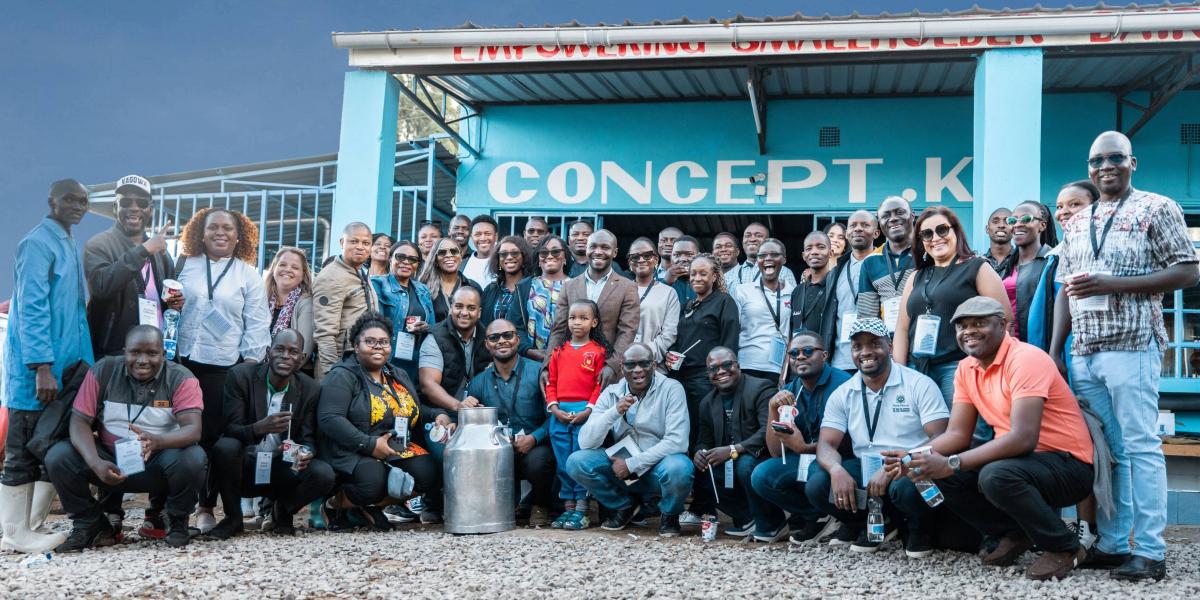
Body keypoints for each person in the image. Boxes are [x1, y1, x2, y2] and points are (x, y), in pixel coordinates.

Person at [1054, 131, 1199, 581]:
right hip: (1085, 351)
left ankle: (1151, 551)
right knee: (1108, 453)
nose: (1105, 166)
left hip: (1133, 346)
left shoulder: (1158, 207)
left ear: (1132, 163)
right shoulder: (1078, 221)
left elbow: (1188, 270)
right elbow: (1066, 287)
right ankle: (1115, 544)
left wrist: (1111, 285)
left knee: (1140, 448)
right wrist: (1059, 350)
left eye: (1115, 157)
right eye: (1097, 160)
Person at [884, 296, 1096, 580]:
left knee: (994, 475)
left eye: (979, 323)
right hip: (1021, 462)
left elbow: (1023, 438)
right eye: (961, 326)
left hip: (1069, 466)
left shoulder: (1026, 359)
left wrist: (953, 463)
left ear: (1003, 325)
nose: (968, 331)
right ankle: (1013, 533)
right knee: (937, 471)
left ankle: (1065, 547)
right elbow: (958, 434)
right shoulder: (966, 368)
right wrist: (914, 455)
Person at [46, 326, 205, 550]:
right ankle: (91, 525)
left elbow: (192, 429)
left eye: (152, 353)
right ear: (125, 352)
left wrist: (158, 442)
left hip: (157, 464)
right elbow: (79, 421)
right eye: (135, 352)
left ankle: (177, 521)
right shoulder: (104, 370)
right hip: (109, 461)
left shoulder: (181, 378)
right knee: (59, 456)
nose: (142, 360)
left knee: (194, 457)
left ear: (163, 354)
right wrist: (95, 462)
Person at [1, 179, 93, 554]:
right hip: (36, 374)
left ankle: (33, 524)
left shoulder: (66, 242)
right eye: (70, 198)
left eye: (84, 200)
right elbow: (34, 308)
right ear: (52, 200)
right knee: (20, 449)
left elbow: (73, 312)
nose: (77, 205)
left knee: (48, 444)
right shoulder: (37, 243)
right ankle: (14, 531)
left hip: (67, 371)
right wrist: (41, 366)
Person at [805, 318, 949, 557]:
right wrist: (836, 470)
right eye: (858, 346)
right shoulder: (844, 393)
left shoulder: (918, 384)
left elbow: (941, 437)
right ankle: (871, 524)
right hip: (867, 468)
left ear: (890, 346)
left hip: (910, 463)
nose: (866, 352)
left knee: (908, 485)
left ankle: (919, 529)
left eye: (874, 344)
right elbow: (826, 445)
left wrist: (900, 462)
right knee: (818, 484)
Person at [174, 207, 270, 532]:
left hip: (225, 367)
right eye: (213, 227)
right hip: (185, 363)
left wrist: (248, 367)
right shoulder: (184, 265)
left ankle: (206, 506)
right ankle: (180, 507)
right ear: (200, 233)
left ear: (239, 235)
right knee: (186, 435)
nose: (220, 233)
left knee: (215, 438)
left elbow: (257, 324)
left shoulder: (248, 274)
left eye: (227, 228)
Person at [317, 312, 440, 531]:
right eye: (370, 341)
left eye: (383, 342)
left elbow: (415, 408)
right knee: (373, 481)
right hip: (353, 448)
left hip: (394, 446)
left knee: (428, 472)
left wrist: (438, 415)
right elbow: (330, 419)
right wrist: (370, 444)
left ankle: (365, 507)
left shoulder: (397, 374)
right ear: (356, 346)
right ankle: (334, 505)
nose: (378, 347)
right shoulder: (342, 375)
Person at [208, 329, 335, 538]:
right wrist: (260, 428)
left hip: (282, 464)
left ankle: (282, 511)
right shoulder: (241, 376)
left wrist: (304, 452)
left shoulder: (310, 388)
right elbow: (230, 428)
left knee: (323, 474)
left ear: (302, 358)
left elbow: (308, 438)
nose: (286, 356)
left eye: (293, 352)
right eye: (280, 349)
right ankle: (233, 518)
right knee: (225, 447)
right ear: (269, 352)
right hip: (245, 465)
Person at [565, 343, 692, 537]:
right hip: (623, 470)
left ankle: (670, 514)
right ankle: (624, 506)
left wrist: (632, 464)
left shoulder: (672, 389)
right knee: (576, 462)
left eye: (644, 363)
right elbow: (586, 442)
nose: (638, 370)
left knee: (680, 468)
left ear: (654, 365)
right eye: (631, 365)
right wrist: (614, 412)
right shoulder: (612, 392)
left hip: (658, 466)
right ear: (622, 367)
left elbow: (678, 441)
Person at [893, 206, 1010, 412]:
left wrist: (990, 366)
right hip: (917, 368)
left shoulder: (977, 267)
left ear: (956, 231)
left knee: (959, 435)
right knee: (920, 435)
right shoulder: (916, 277)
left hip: (958, 367)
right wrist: (900, 372)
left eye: (942, 230)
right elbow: (902, 328)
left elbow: (1005, 319)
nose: (935, 237)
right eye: (927, 234)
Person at [751, 331, 851, 544]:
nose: (800, 357)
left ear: (824, 355)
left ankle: (844, 518)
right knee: (761, 475)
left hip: (841, 458)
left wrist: (803, 446)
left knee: (817, 472)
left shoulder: (844, 385)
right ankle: (817, 516)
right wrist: (772, 409)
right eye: (794, 353)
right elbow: (776, 452)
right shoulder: (790, 390)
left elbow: (848, 443)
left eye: (807, 351)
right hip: (806, 455)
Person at [464, 319, 554, 527]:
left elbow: (554, 418)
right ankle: (502, 506)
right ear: (487, 344)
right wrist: (466, 408)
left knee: (540, 462)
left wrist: (534, 438)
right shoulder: (479, 382)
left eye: (507, 335)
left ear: (517, 339)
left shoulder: (538, 372)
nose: (501, 341)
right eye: (494, 338)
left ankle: (540, 505)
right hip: (498, 451)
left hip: (535, 447)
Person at [84, 174, 183, 357]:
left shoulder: (161, 254)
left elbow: (166, 303)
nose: (134, 208)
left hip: (156, 353)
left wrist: (174, 304)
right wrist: (143, 251)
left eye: (142, 203)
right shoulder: (98, 244)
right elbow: (101, 286)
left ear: (150, 210)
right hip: (116, 353)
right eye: (126, 202)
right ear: (115, 207)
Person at [690, 348, 775, 540]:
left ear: (738, 365)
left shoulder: (761, 388)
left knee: (745, 466)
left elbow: (767, 430)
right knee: (704, 470)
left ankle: (770, 523)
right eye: (714, 368)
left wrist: (732, 450)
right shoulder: (707, 403)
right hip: (730, 460)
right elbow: (704, 439)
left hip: (761, 456)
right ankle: (746, 519)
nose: (721, 371)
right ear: (708, 374)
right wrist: (699, 453)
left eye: (727, 365)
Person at [544, 229, 639, 390]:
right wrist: (547, 365)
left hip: (607, 373)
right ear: (586, 249)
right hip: (571, 370)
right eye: (593, 246)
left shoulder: (628, 287)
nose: (598, 252)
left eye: (605, 247)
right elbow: (559, 329)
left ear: (615, 252)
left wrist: (612, 366)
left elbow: (627, 331)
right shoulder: (569, 286)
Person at [545, 300, 610, 530]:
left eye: (583, 318)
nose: (577, 322)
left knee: (578, 461)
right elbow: (550, 383)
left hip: (585, 414)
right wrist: (554, 409)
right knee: (563, 462)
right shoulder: (558, 352)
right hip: (559, 413)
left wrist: (588, 410)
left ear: (594, 322)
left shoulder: (598, 352)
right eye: (573, 317)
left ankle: (582, 511)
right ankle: (568, 510)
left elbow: (598, 387)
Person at [670, 254, 740, 455]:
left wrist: (722, 375)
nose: (697, 278)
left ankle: (704, 481)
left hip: (707, 379)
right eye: (693, 274)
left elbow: (730, 342)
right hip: (680, 378)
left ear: (714, 276)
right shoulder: (687, 305)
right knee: (684, 428)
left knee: (704, 431)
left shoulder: (724, 302)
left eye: (703, 273)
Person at [418, 286, 490, 429]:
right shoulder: (435, 337)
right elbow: (428, 385)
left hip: (478, 414)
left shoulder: (488, 337)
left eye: (471, 308)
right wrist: (458, 406)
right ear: (451, 309)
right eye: (458, 306)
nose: (464, 312)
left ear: (479, 312)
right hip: (441, 414)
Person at [312, 222, 377, 381]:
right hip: (340, 365)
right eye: (354, 241)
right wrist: (333, 373)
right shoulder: (331, 277)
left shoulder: (360, 271)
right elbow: (324, 332)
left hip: (358, 361)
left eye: (365, 243)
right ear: (342, 243)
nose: (360, 247)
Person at [370, 241, 435, 383]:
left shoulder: (423, 290)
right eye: (400, 257)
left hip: (415, 361)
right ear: (390, 258)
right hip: (386, 359)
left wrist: (425, 328)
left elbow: (433, 327)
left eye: (412, 259)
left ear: (418, 264)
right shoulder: (376, 284)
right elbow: (371, 322)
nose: (406, 262)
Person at [730, 238, 794, 381]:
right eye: (762, 256)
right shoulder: (742, 291)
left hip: (778, 368)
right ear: (757, 260)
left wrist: (785, 371)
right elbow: (732, 331)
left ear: (784, 259)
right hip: (746, 366)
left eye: (774, 254)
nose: (768, 259)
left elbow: (793, 335)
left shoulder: (793, 292)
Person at [999, 202, 1058, 347]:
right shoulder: (1005, 266)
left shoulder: (1052, 261)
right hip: (1007, 345)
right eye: (1012, 220)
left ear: (1042, 226)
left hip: (1038, 345)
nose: (1018, 224)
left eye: (1026, 219)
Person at [828, 210, 880, 374]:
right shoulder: (836, 270)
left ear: (876, 233)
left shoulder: (886, 265)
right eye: (853, 226)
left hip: (877, 357)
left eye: (865, 225)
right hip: (841, 361)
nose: (858, 229)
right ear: (847, 234)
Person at [857, 196, 915, 334]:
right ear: (879, 222)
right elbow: (867, 317)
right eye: (886, 215)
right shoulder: (870, 262)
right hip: (889, 345)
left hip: (925, 341)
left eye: (900, 212)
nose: (893, 218)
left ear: (912, 216)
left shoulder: (927, 252)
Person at [507, 235, 569, 362]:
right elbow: (514, 325)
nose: (550, 256)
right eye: (544, 253)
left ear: (565, 258)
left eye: (556, 251)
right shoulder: (524, 287)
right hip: (529, 360)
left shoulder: (577, 286)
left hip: (567, 360)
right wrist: (529, 351)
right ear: (539, 260)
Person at [626, 237, 679, 368]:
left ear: (656, 259)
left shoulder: (669, 293)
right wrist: (626, 356)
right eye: (635, 257)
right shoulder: (620, 289)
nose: (641, 260)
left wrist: (644, 355)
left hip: (653, 364)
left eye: (647, 255)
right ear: (629, 262)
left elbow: (669, 335)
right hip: (624, 364)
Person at [264, 247, 315, 371]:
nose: (287, 269)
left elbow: (304, 351)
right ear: (274, 269)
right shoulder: (261, 300)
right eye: (282, 264)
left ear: (303, 275)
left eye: (295, 267)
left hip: (290, 375)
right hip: (258, 370)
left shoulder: (306, 304)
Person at [420, 237, 482, 324]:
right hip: (433, 337)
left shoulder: (473, 287)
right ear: (436, 260)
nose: (449, 255)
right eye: (442, 252)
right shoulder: (423, 288)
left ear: (460, 256)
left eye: (454, 251)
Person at [790, 231, 835, 338]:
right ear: (804, 256)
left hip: (828, 352)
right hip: (801, 353)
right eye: (809, 248)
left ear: (831, 253)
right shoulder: (797, 291)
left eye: (821, 247)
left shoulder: (836, 286)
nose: (814, 252)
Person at [726, 221, 797, 289]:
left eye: (758, 235)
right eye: (748, 235)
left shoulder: (783, 271)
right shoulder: (728, 276)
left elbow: (793, 299)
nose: (752, 239)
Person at [481, 236, 533, 327]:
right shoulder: (490, 290)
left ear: (524, 256)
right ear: (498, 259)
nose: (509, 257)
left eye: (515, 253)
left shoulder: (533, 287)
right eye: (503, 254)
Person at [462, 214, 498, 289]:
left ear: (496, 236)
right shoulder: (462, 265)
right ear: (471, 237)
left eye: (487, 234)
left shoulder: (502, 263)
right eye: (477, 234)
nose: (483, 238)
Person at [663, 235, 699, 306]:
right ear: (671, 257)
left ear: (699, 256)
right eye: (677, 255)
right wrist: (666, 283)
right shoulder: (658, 284)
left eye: (689, 254)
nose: (682, 259)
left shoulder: (707, 283)